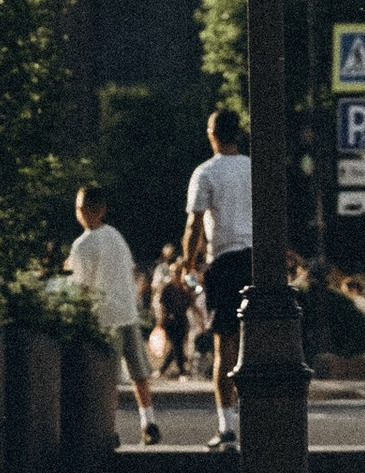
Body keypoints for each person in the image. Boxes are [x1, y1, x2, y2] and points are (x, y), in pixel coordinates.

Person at [179, 107, 253, 448]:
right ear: (238, 134)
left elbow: (195, 226)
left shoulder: (205, 172)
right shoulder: (255, 168)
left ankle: (227, 427)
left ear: (212, 135)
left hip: (224, 262)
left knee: (225, 345)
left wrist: (187, 263)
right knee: (257, 343)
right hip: (257, 261)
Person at [65, 184, 161, 445]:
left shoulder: (82, 245)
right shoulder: (115, 236)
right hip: (127, 311)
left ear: (81, 211)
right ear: (103, 210)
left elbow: (79, 286)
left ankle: (107, 428)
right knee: (139, 373)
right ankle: (149, 422)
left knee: (108, 377)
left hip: (104, 318)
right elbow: (129, 270)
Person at [154, 255, 195, 381]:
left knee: (176, 346)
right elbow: (162, 304)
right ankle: (182, 372)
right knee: (177, 345)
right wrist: (161, 319)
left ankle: (162, 370)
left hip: (182, 319)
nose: (176, 275)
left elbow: (192, 301)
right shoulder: (167, 288)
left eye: (178, 272)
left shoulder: (185, 287)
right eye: (174, 272)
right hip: (170, 320)